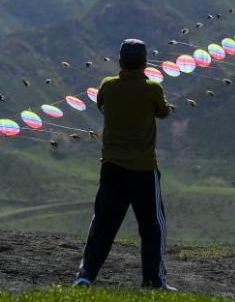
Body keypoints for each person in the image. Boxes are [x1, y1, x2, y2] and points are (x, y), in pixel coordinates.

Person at [75, 38, 175, 290]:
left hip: (112, 167)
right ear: (145, 64)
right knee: (152, 227)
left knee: (103, 224)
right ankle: (152, 280)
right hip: (143, 168)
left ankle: (85, 276)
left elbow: (100, 104)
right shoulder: (152, 88)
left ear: (120, 62)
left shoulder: (108, 86)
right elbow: (163, 112)